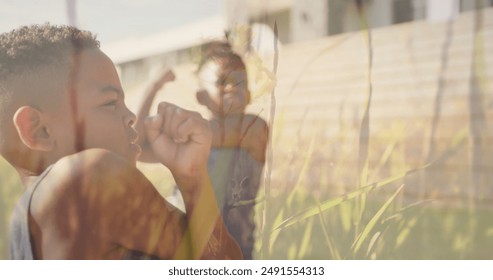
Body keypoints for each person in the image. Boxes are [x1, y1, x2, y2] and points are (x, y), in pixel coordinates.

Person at [1, 24, 242, 260]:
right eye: (110, 103)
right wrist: (193, 176)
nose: (130, 117)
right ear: (38, 130)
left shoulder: (21, 229)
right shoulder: (91, 175)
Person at [195, 41, 269, 259]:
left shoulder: (255, 128)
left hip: (236, 253)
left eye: (240, 82)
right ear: (201, 97)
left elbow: (215, 134)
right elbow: (141, 142)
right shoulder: (194, 131)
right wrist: (154, 86)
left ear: (248, 94)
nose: (232, 87)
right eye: (222, 81)